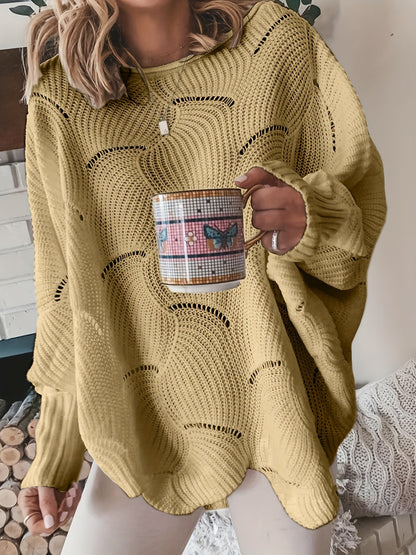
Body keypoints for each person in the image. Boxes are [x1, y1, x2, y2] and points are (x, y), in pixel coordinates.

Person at [17, 0, 387, 553]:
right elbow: (65, 292)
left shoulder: (277, 45)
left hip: (276, 405)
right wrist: (56, 450)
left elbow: (354, 218)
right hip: (145, 418)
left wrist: (310, 218)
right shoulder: (60, 97)